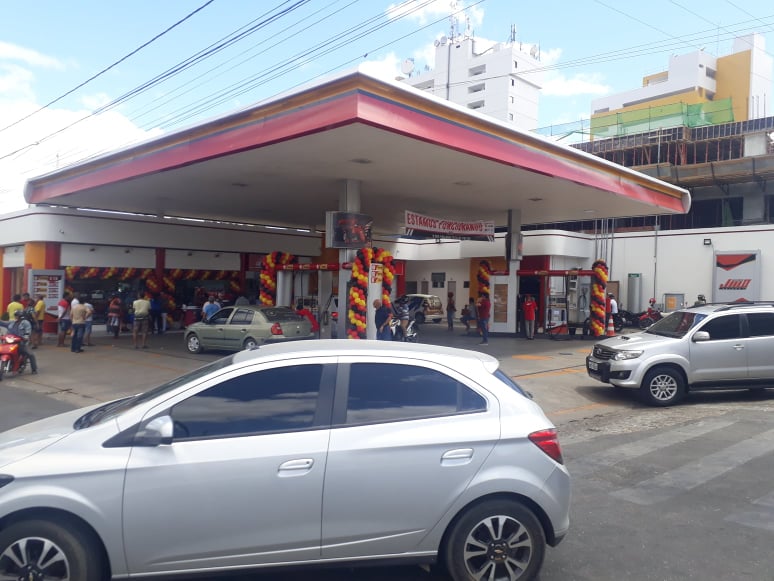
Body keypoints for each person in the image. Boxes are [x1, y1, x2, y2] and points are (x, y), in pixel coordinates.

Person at [0, 310, 38, 374]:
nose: (16, 317)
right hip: (9, 343)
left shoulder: (25, 323)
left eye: (17, 315)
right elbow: (2, 323)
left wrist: (26, 337)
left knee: (31, 354)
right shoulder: (12, 323)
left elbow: (28, 330)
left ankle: (34, 369)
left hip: (20, 343)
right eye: (16, 315)